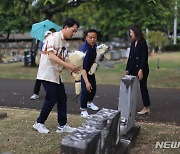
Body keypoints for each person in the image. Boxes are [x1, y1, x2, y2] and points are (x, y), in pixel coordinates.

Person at [33, 18, 80, 134]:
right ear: (65, 27)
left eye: (75, 32)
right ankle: (39, 123)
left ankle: (62, 125)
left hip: (56, 74)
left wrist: (72, 68)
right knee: (51, 99)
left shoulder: (64, 42)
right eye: (73, 31)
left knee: (62, 99)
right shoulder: (53, 37)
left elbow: (64, 58)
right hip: (47, 73)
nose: (73, 34)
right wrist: (68, 66)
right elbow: (52, 56)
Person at [125, 24, 150, 115]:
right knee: (130, 87)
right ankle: (129, 105)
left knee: (143, 87)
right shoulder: (133, 43)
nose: (130, 34)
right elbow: (130, 57)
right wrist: (127, 68)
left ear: (136, 32)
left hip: (142, 69)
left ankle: (146, 107)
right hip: (132, 68)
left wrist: (141, 69)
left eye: (131, 32)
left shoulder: (142, 43)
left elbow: (144, 58)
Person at [30, 29, 56, 100]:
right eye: (46, 36)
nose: (48, 37)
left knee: (52, 78)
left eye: (49, 35)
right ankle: (35, 93)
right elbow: (42, 53)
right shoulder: (43, 44)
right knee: (40, 78)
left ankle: (54, 92)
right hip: (43, 65)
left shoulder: (54, 44)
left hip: (51, 65)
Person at [79, 29, 99, 118]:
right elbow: (82, 68)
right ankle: (83, 109)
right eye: (90, 38)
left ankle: (89, 103)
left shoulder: (94, 46)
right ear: (86, 37)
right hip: (83, 71)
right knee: (85, 89)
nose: (92, 40)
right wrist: (86, 82)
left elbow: (95, 57)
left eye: (94, 38)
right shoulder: (84, 49)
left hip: (91, 71)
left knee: (93, 88)